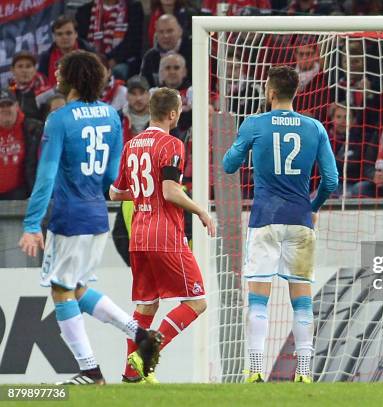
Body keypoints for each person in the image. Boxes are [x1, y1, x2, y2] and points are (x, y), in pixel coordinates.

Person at [18, 50, 162, 385]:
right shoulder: (111, 116)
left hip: (70, 218)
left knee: (61, 289)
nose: (55, 75)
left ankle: (90, 371)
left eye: (60, 70)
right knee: (79, 288)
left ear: (71, 77)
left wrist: (30, 224)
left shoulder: (60, 119)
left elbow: (46, 175)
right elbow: (112, 176)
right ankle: (140, 334)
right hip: (98, 215)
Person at [223, 65, 338, 383]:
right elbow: (331, 179)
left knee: (259, 298)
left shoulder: (255, 124)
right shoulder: (314, 127)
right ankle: (304, 372)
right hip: (300, 221)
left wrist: (245, 146)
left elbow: (228, 165)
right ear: (296, 92)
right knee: (301, 299)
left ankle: (256, 368)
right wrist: (312, 206)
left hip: (265, 221)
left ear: (270, 92)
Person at [109, 87, 215, 383]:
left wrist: (145, 191)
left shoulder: (132, 144)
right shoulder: (172, 144)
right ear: (172, 114)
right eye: (179, 110)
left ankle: (131, 374)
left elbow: (114, 192)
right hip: (165, 235)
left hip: (139, 236)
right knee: (197, 302)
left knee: (147, 305)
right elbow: (170, 191)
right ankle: (145, 354)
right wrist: (201, 211)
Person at [0, 89, 43, 200]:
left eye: (9, 104)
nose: (5, 109)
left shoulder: (34, 129)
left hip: (22, 195)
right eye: (1, 106)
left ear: (17, 106)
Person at [38, 15, 95, 88]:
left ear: (76, 34)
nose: (64, 37)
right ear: (54, 37)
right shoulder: (46, 57)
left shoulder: (90, 54)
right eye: (59, 34)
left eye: (68, 33)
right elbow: (42, 85)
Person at [141, 14, 191, 88]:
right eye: (161, 32)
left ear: (180, 32)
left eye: (170, 31)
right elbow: (145, 87)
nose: (165, 36)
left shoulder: (194, 52)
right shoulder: (150, 57)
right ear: (156, 35)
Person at [9, 51, 49, 121]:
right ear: (12, 70)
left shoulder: (46, 92)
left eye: (28, 66)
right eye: (20, 66)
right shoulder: (8, 94)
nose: (24, 70)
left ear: (34, 70)